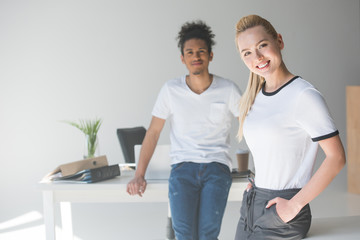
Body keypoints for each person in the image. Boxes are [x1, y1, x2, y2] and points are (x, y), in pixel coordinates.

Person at [126, 20, 242, 240]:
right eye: (190, 52)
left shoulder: (228, 90)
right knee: (184, 235)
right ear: (183, 58)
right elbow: (152, 133)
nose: (195, 56)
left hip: (217, 169)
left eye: (201, 51)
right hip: (182, 170)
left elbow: (251, 126)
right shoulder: (171, 90)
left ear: (210, 55)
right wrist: (138, 175)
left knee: (208, 234)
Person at [233, 15, 346, 240]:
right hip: (252, 204)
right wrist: (257, 182)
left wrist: (294, 206)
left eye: (262, 45)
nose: (257, 57)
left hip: (282, 208)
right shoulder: (255, 98)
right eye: (247, 53)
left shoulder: (304, 96)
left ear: (279, 41)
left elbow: (337, 158)